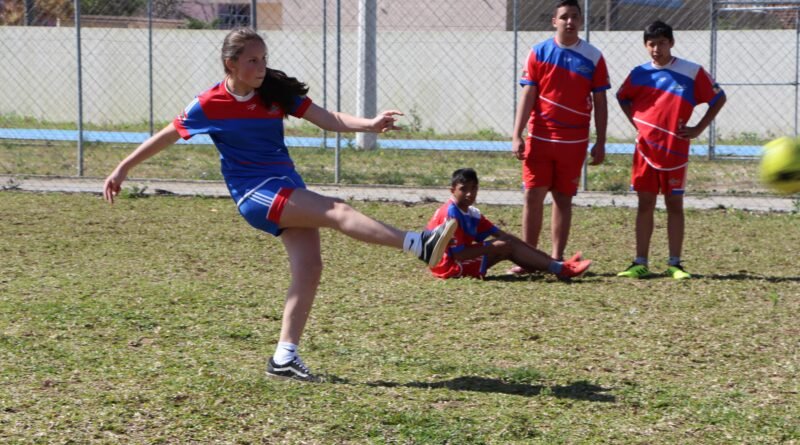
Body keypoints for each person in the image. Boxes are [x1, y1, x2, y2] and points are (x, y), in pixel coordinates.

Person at [102, 28, 457, 382]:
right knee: (337, 210)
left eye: (264, 59)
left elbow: (326, 117)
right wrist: (122, 168)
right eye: (252, 60)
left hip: (286, 184)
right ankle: (419, 244)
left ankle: (284, 357)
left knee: (310, 267)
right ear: (231, 64)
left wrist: (371, 124)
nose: (261, 67)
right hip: (255, 194)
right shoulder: (208, 104)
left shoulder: (273, 91)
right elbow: (164, 137)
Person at [616, 20, 726, 280]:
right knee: (645, 204)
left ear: (671, 43)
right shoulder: (638, 74)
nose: (656, 49)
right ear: (646, 45)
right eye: (651, 44)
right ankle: (639, 262)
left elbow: (718, 98)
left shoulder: (691, 71)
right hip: (645, 151)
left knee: (674, 204)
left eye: (662, 43)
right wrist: (638, 123)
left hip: (675, 152)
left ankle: (675, 263)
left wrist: (698, 128)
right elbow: (623, 97)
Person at [510, 0, 610, 275]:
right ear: (554, 21)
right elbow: (528, 94)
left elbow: (600, 101)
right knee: (532, 195)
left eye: (575, 17)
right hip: (540, 137)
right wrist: (517, 134)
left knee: (563, 198)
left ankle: (555, 258)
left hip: (574, 142)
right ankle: (528, 259)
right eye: (564, 16)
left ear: (581, 21)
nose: (570, 21)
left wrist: (601, 140)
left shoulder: (593, 56)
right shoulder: (538, 53)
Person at [426, 168, 592, 280]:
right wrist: (493, 247)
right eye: (463, 189)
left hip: (457, 261)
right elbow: (458, 255)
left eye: (474, 188)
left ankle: (558, 266)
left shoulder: (471, 212)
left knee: (508, 243)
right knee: (505, 246)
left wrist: (501, 243)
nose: (470, 193)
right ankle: (560, 269)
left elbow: (504, 236)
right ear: (452, 190)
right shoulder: (451, 214)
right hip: (449, 268)